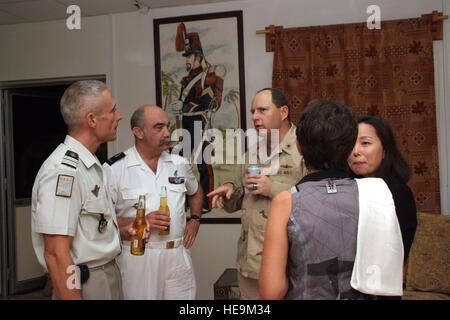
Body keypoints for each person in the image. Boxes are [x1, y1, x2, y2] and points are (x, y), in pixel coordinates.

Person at [207, 88, 307, 300]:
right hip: (251, 265)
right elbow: (237, 196)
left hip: (292, 265)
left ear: (283, 112)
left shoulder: (304, 148)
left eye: (262, 110)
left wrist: (273, 188)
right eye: (253, 111)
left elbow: (315, 200)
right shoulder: (251, 152)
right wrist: (230, 191)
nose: (254, 117)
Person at [31, 80, 124, 300]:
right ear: (92, 119)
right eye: (112, 110)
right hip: (86, 282)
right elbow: (55, 254)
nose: (119, 116)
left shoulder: (90, 165)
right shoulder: (63, 172)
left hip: (107, 274)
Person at [103, 105, 203, 300]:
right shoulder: (115, 168)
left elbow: (196, 191)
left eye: (167, 126)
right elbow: (103, 221)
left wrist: (196, 219)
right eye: (159, 127)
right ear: (138, 132)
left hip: (177, 256)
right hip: (139, 258)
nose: (167, 133)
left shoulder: (179, 164)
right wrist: (140, 222)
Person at [347, 115, 417, 299]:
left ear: (385, 150)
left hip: (380, 289)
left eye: (365, 143)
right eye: (351, 144)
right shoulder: (342, 190)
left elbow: (395, 252)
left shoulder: (399, 194)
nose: (355, 151)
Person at [171, 22, 224, 213]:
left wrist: (184, 106)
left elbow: (208, 103)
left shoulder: (207, 78)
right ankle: (183, 200)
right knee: (181, 163)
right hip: (186, 123)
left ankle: (206, 203)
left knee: (203, 164)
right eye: (186, 56)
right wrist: (179, 106)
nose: (187, 59)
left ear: (199, 57)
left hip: (201, 123)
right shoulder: (185, 80)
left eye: (190, 56)